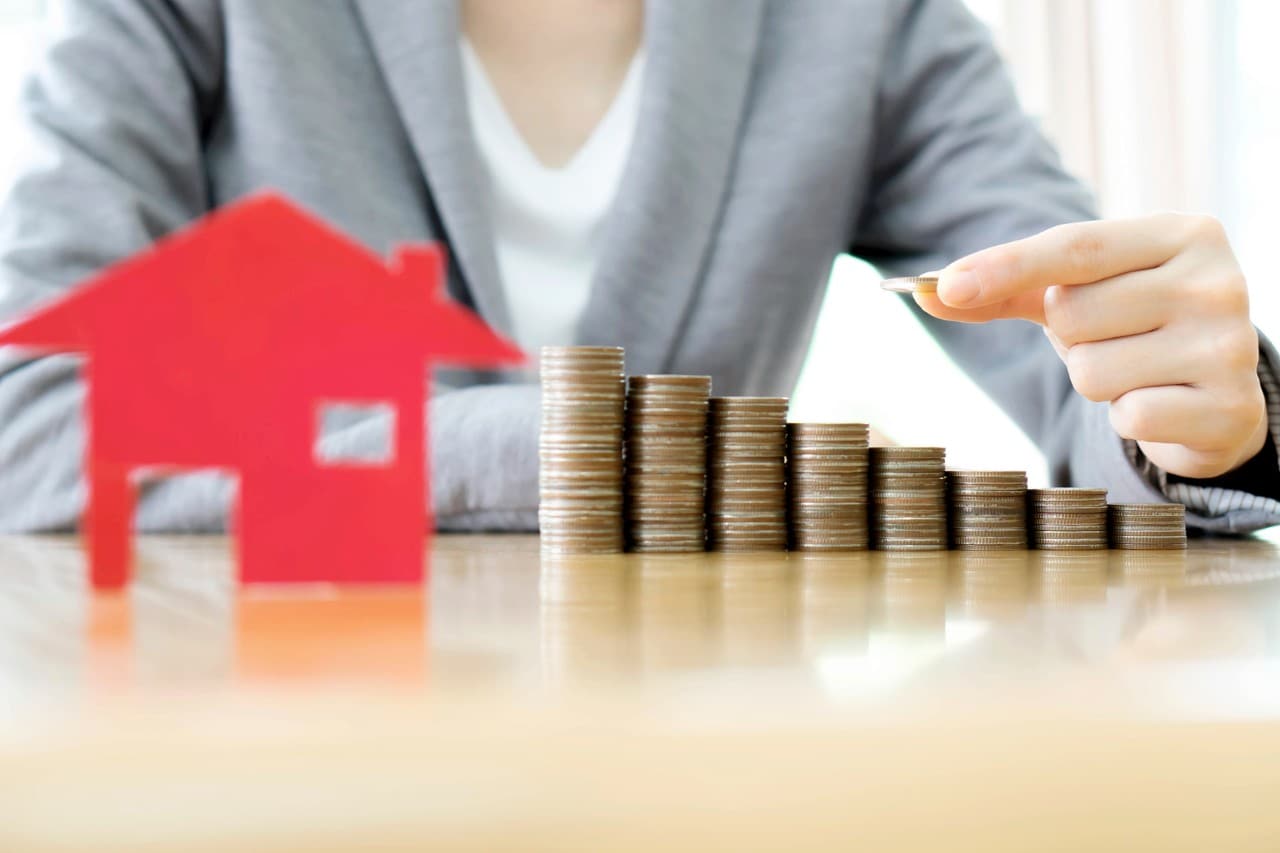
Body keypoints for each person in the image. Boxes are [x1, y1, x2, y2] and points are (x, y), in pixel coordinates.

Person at [0, 0, 1275, 535]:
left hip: (695, 749)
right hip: (268, 735)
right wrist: (563, 443)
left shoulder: (862, 22)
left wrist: (1201, 422)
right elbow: (36, 421)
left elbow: (1081, 359)